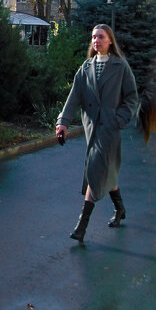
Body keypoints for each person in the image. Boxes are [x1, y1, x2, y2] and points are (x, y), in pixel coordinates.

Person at [56, 24, 138, 242]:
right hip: (92, 128)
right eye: (93, 37)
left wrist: (119, 119)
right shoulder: (86, 67)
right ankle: (119, 209)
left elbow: (131, 98)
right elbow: (74, 97)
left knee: (95, 168)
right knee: (106, 170)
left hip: (110, 129)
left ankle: (82, 226)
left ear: (110, 40)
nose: (96, 40)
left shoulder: (120, 67)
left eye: (101, 37)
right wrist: (62, 122)